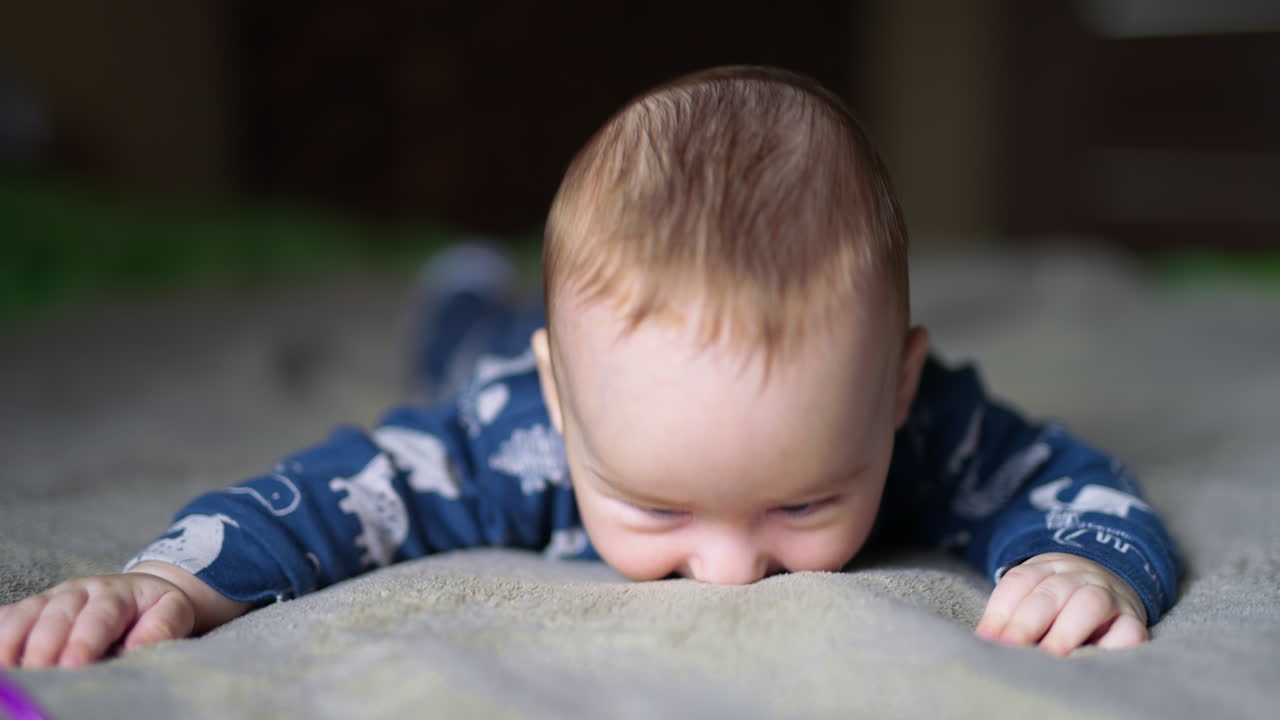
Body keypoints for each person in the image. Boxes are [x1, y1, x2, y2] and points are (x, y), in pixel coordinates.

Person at [0, 66, 1179, 669]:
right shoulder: (515, 429)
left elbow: (1068, 484)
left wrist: (1081, 561)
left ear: (896, 389)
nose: (726, 574)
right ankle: (465, 295)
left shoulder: (925, 427)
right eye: (656, 505)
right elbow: (336, 497)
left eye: (805, 500)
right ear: (566, 406)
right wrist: (165, 585)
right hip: (502, 364)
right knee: (461, 356)